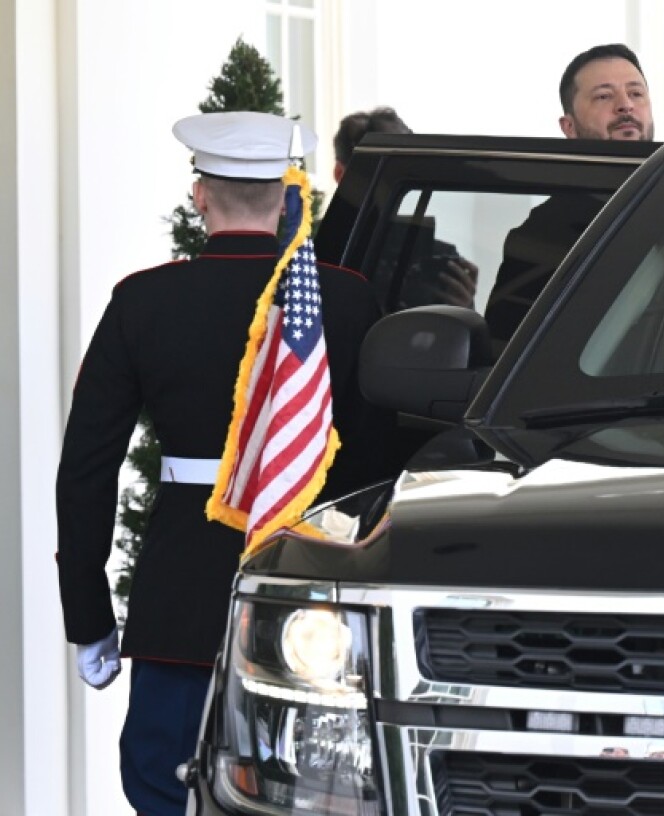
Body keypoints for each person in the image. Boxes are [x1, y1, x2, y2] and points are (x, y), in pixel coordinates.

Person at [56, 111, 387, 816]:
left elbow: (88, 467)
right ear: (287, 194)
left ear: (200, 194)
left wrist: (87, 613)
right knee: (320, 790)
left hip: (182, 593)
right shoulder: (347, 298)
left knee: (163, 782)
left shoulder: (143, 301)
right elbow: (376, 458)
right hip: (314, 592)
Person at [485, 43, 655, 347]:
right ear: (570, 127)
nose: (625, 105)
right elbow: (508, 351)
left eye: (636, 93)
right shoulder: (542, 233)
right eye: (604, 96)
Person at [333, 105, 478, 310]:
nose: (384, 188)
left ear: (339, 173)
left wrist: (464, 309)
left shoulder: (308, 252)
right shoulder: (436, 255)